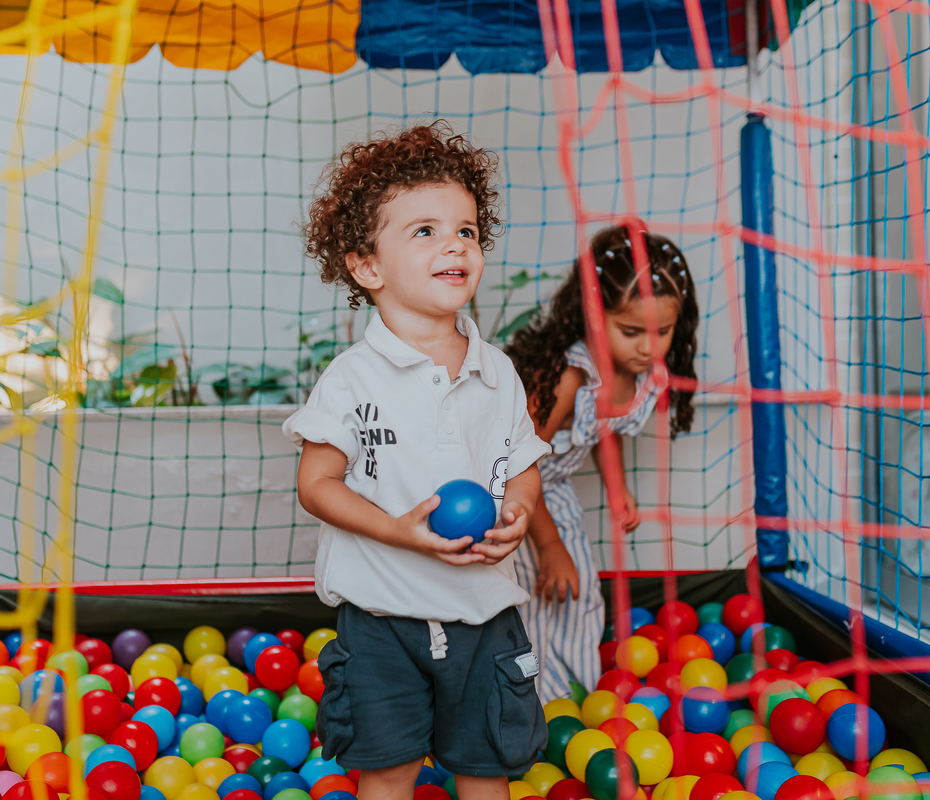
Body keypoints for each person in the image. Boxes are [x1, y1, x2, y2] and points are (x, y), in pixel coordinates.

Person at [283, 122, 551, 800]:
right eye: (425, 231)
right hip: (382, 617)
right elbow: (316, 484)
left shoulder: (498, 371)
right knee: (389, 770)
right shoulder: (351, 378)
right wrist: (398, 529)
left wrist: (518, 512)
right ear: (368, 267)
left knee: (487, 767)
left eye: (465, 230)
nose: (454, 243)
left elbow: (521, 464)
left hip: (485, 612)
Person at [505, 223, 699, 701]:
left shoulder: (639, 374)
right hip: (510, 493)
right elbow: (517, 460)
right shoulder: (571, 375)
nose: (649, 347)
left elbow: (601, 431)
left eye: (663, 331)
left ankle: (577, 694)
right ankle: (530, 697)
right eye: (631, 331)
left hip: (554, 490)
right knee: (527, 592)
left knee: (579, 590)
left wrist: (617, 489)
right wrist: (549, 547)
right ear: (594, 316)